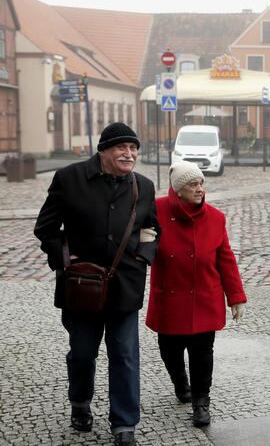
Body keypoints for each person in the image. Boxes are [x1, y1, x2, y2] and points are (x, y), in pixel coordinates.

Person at [34, 122, 159, 446]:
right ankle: (80, 402)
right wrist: (64, 259)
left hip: (125, 287)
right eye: (122, 148)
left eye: (133, 149)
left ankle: (124, 424)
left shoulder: (143, 186)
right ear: (104, 150)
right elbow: (45, 228)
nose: (129, 154)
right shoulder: (69, 179)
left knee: (126, 356)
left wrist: (144, 257)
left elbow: (150, 229)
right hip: (81, 286)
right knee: (82, 353)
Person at [146, 161, 246, 428]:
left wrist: (235, 296)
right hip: (170, 299)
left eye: (201, 183)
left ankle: (201, 402)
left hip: (204, 297)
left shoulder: (215, 218)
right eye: (193, 184)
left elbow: (226, 259)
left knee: (203, 353)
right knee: (170, 350)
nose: (200, 189)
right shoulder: (156, 211)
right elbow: (138, 241)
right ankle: (180, 382)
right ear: (178, 190)